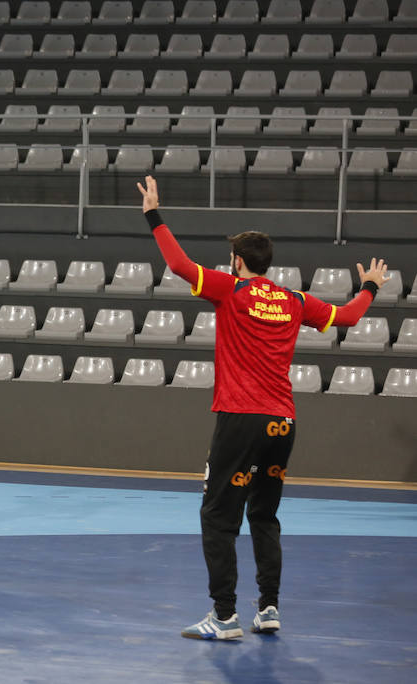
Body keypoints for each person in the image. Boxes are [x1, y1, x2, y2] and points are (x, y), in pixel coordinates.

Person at [136, 176, 389, 640]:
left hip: (240, 418)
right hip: (282, 422)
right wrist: (369, 286)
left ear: (237, 262)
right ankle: (268, 608)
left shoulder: (230, 290)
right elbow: (348, 318)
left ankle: (225, 616)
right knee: (264, 515)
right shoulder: (293, 301)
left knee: (217, 516)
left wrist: (154, 215)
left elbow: (177, 264)